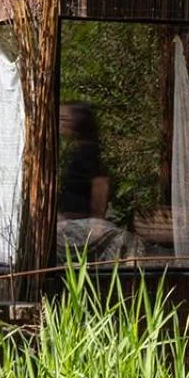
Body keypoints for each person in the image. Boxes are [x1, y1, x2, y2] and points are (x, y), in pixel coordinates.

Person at [55, 102, 128, 261]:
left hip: (80, 225)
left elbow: (100, 185)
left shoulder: (88, 152)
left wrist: (97, 222)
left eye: (64, 119)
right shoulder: (77, 151)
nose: (61, 124)